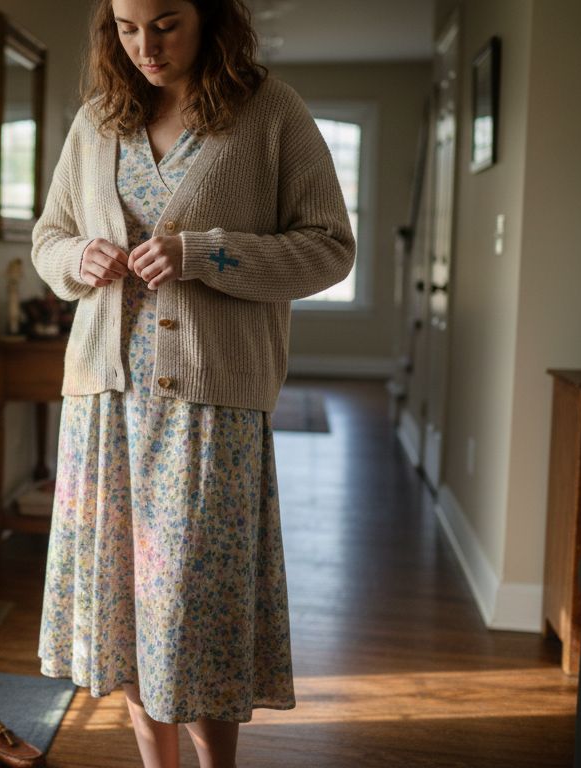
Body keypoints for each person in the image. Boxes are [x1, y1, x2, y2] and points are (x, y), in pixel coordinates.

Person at [31, 1, 355, 766]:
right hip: (105, 405)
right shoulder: (98, 119)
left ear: (210, 15)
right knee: (129, 611)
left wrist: (205, 254)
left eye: (166, 22)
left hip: (210, 411)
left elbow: (330, 248)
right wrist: (74, 260)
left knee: (193, 613)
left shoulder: (269, 111)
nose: (145, 45)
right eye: (127, 27)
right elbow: (48, 235)